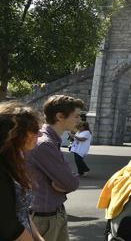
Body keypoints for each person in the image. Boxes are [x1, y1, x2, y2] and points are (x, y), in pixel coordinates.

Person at [27, 95, 83, 241]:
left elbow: (68, 180)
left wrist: (66, 182)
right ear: (60, 116)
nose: (79, 120)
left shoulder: (49, 140)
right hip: (45, 218)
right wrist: (68, 181)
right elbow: (72, 182)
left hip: (52, 213)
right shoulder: (45, 144)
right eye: (76, 116)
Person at [0, 102, 45, 241]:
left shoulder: (13, 159)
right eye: (35, 130)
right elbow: (9, 227)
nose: (40, 134)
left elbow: (22, 212)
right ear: (16, 134)